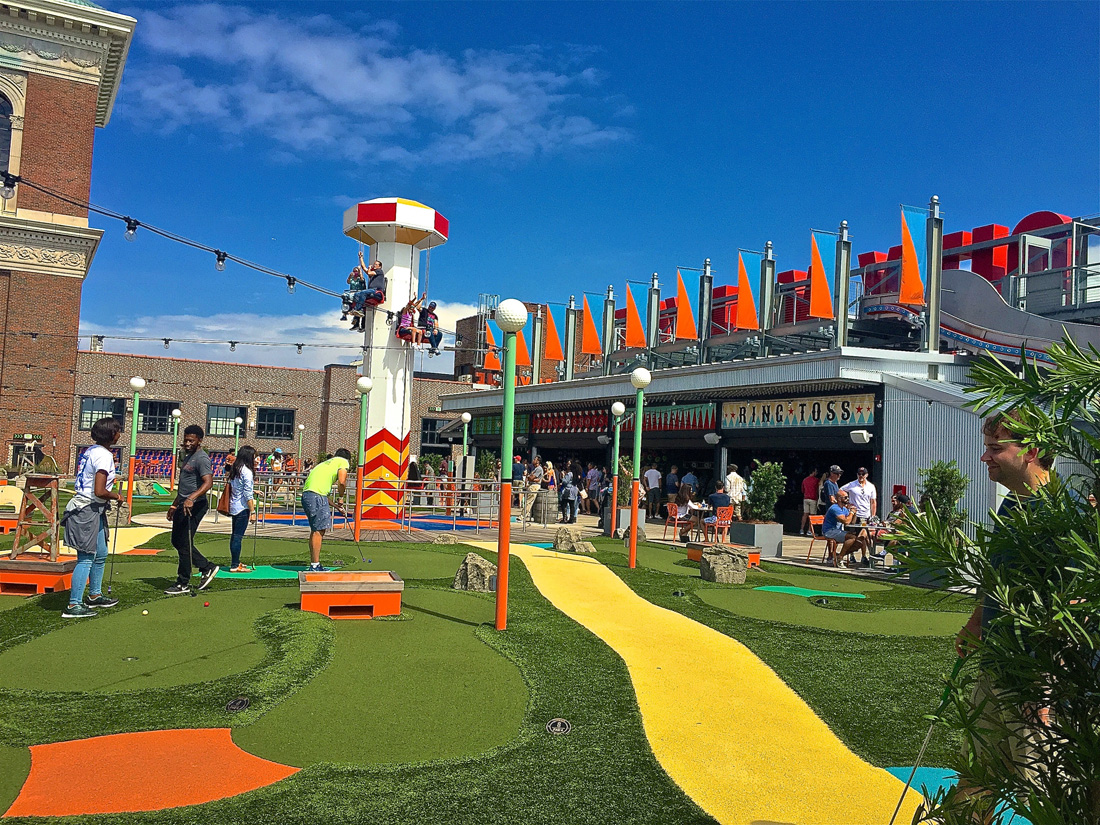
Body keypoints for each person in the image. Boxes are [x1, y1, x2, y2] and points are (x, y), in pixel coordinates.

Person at [952, 412, 1054, 813]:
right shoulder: (1012, 504)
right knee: (975, 774)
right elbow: (998, 578)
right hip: (995, 663)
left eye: (995, 448)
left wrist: (1045, 685)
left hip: (1034, 679)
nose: (985, 458)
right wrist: (976, 622)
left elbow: (1071, 609)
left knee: (1044, 793)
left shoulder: (1060, 515)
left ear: (1031, 451)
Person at [60, 417, 123, 618]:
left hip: (93, 509)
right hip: (87, 509)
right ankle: (74, 605)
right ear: (111, 434)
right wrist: (116, 496)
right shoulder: (103, 455)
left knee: (100, 553)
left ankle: (94, 595)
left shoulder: (91, 451)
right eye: (117, 430)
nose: (119, 434)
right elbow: (99, 491)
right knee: (86, 557)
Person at [164, 425, 219, 596]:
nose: (187, 443)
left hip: (195, 506)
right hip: (183, 504)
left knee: (184, 542)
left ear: (199, 440)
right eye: (186, 440)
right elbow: (185, 485)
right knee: (177, 541)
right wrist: (174, 505)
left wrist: (191, 498)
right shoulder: (188, 457)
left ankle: (183, 582)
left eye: (191, 440)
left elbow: (208, 483)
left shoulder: (202, 458)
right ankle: (206, 567)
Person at [300, 448, 351, 572]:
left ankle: (315, 564)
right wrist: (341, 497)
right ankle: (315, 566)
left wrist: (336, 507)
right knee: (319, 530)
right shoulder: (343, 461)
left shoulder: (324, 464)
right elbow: (342, 482)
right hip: (316, 497)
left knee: (316, 530)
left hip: (308, 495)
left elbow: (320, 492)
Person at [226, 445, 256, 572]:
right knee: (237, 536)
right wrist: (253, 511)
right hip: (242, 508)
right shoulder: (247, 472)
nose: (255, 459)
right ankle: (234, 565)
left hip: (234, 505)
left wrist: (254, 491)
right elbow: (247, 494)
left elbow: (238, 487)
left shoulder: (236, 468)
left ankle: (236, 561)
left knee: (235, 535)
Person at [822, 489, 865, 566]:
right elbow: (846, 522)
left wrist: (855, 513)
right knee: (852, 538)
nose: (847, 499)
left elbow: (852, 522)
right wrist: (851, 512)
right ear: (839, 499)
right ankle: (840, 558)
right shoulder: (835, 508)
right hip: (829, 531)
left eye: (848, 497)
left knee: (859, 542)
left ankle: (838, 556)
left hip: (838, 531)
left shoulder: (844, 509)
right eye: (845, 497)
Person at [349, 254, 387, 330]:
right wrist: (361, 258)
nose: (374, 265)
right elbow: (364, 268)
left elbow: (369, 273)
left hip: (377, 291)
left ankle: (357, 309)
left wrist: (369, 268)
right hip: (371, 291)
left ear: (379, 266)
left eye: (376, 264)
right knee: (357, 294)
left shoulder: (379, 271)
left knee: (363, 293)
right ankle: (357, 313)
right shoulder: (373, 273)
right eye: (374, 264)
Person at [799, 467, 820, 536]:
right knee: (812, 515)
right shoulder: (816, 480)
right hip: (813, 499)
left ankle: (801, 529)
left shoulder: (805, 480)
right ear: (813, 472)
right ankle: (809, 530)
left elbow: (802, 490)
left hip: (806, 498)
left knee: (805, 514)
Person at [523, 456, 544, 521]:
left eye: (535, 459)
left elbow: (531, 478)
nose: (533, 460)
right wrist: (529, 477)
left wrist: (530, 477)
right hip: (531, 485)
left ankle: (522, 516)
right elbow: (529, 477)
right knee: (527, 501)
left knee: (528, 502)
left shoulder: (539, 469)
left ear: (538, 461)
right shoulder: (535, 468)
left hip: (534, 486)